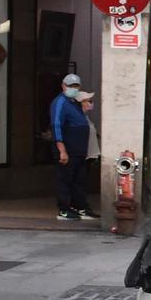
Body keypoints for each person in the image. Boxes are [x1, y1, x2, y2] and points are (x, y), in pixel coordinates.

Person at [50, 72, 97, 221]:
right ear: (63, 86)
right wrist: (62, 150)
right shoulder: (60, 102)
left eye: (76, 86)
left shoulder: (74, 102)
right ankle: (64, 209)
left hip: (79, 151)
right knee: (65, 180)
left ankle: (80, 207)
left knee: (79, 180)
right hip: (68, 150)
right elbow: (56, 125)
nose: (73, 88)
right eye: (70, 86)